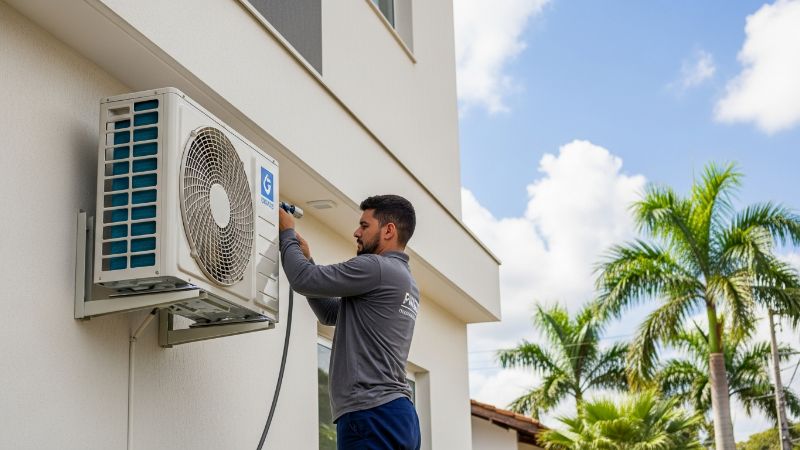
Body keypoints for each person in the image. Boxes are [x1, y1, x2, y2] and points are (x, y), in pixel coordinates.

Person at [278, 194, 421, 450]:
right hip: (398, 416)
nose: (357, 232)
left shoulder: (376, 267)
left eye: (365, 226)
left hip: (371, 413)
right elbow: (331, 313)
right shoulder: (405, 280)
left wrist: (287, 233)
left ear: (389, 230)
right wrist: (308, 260)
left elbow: (303, 280)